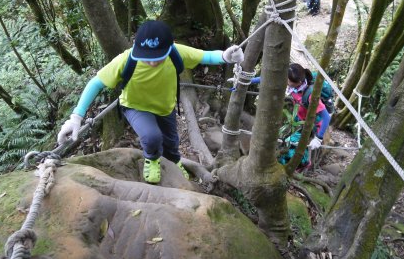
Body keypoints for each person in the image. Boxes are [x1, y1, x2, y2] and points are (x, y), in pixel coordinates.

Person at [57, 20, 244, 184]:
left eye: (158, 58)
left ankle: (173, 162)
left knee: (171, 142)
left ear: (169, 48)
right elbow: (96, 83)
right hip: (135, 107)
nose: (153, 63)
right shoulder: (125, 60)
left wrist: (225, 56)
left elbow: (205, 56)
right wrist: (76, 117)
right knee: (152, 137)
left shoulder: (176, 52)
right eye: (147, 58)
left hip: (165, 107)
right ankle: (152, 159)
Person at [281, 63, 331, 169]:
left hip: (311, 124)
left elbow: (326, 116)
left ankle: (303, 163)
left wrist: (319, 138)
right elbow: (269, 78)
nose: (286, 82)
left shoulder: (311, 96)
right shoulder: (294, 85)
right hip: (300, 119)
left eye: (288, 81)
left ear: (298, 82)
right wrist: (248, 79)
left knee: (290, 143)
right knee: (288, 142)